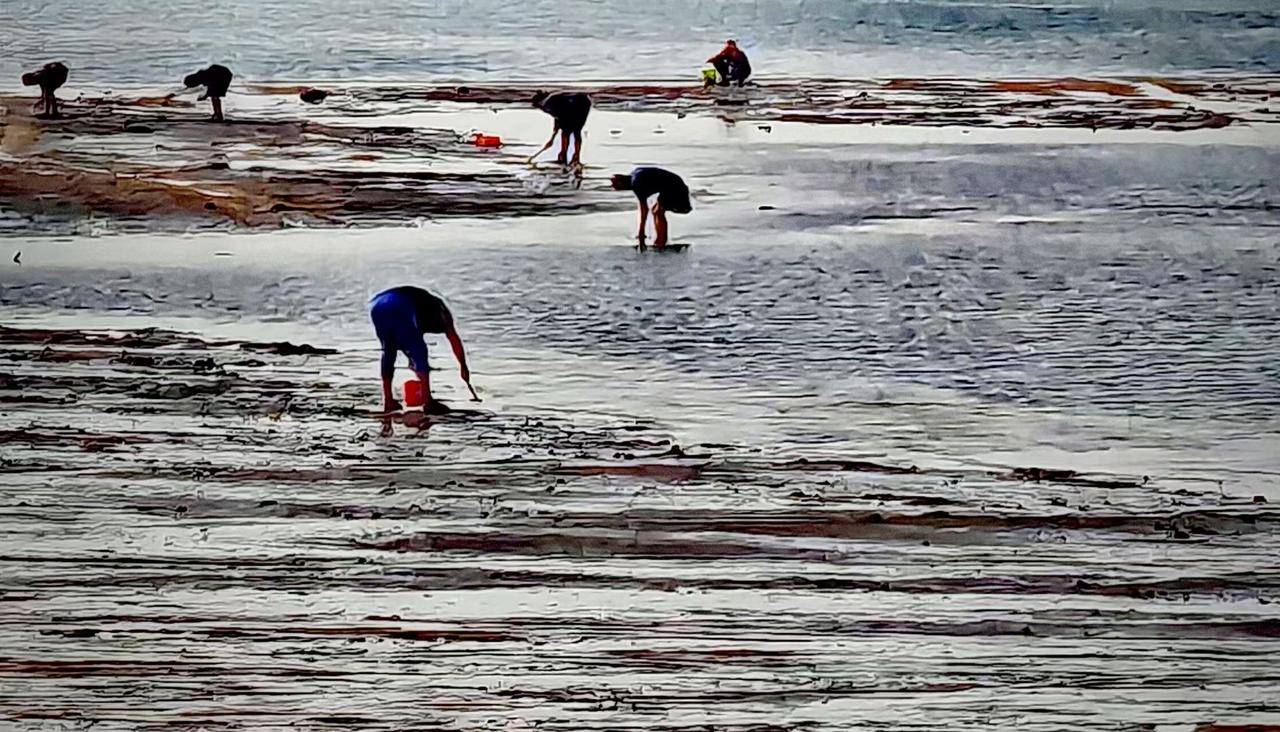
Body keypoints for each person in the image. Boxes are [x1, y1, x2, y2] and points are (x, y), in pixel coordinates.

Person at [369, 285, 472, 414]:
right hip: (401, 303)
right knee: (420, 350)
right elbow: (453, 338)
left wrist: (413, 361)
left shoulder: (425, 309)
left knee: (389, 349)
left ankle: (388, 401)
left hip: (377, 305)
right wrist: (463, 366)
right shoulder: (442, 312)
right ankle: (428, 402)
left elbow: (406, 339)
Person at [610, 167, 692, 249]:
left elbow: (643, 210)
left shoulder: (636, 183)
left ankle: (661, 242)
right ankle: (660, 240)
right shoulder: (634, 176)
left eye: (616, 184)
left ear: (621, 181)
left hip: (676, 188)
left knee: (658, 211)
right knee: (655, 210)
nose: (613, 187)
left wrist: (641, 232)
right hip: (672, 185)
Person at [528, 91, 592, 168]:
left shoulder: (546, 105)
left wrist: (553, 138)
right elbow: (557, 118)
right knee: (575, 131)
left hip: (578, 104)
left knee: (569, 132)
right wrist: (553, 136)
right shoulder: (550, 99)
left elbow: (559, 118)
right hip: (583, 101)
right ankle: (572, 155)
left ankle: (568, 155)